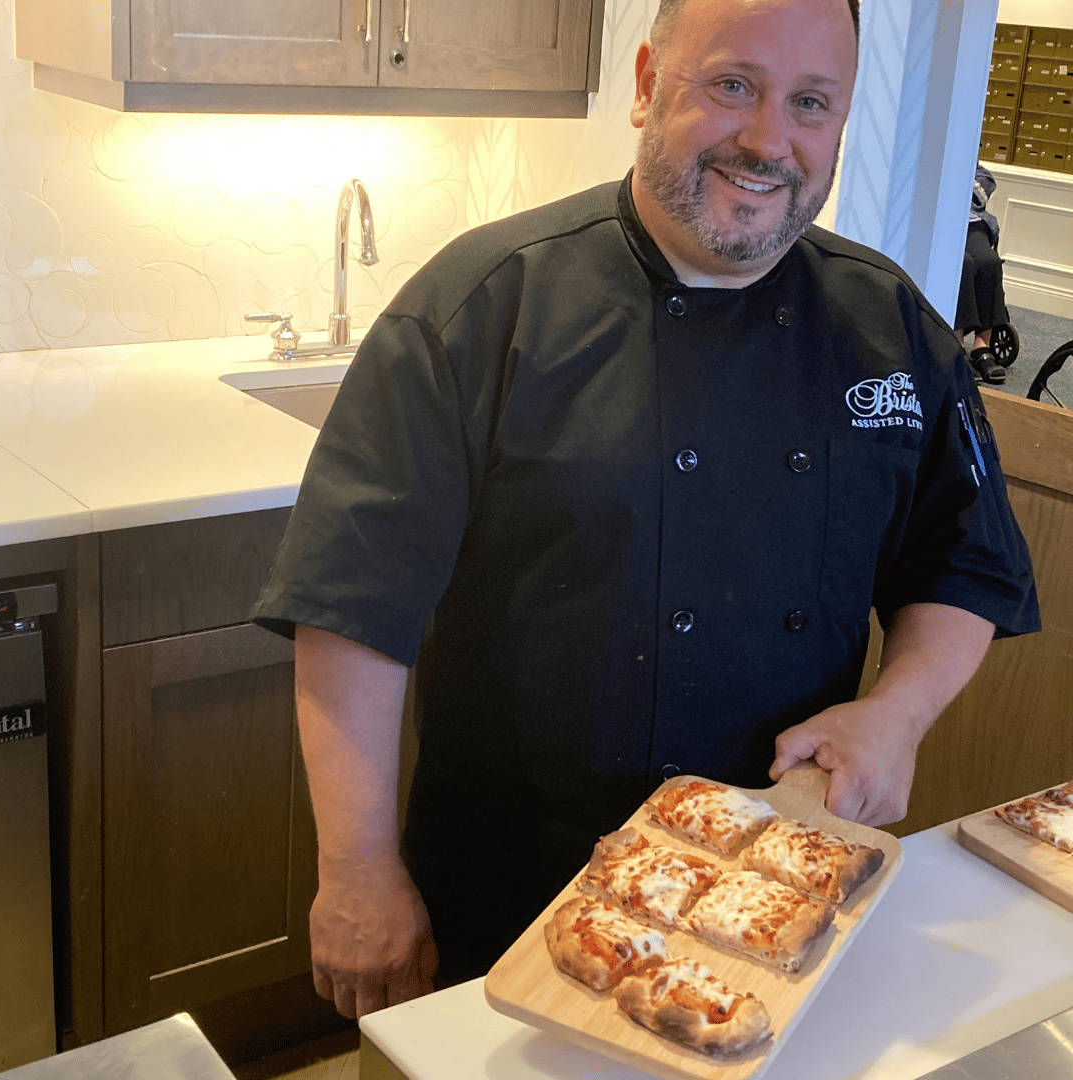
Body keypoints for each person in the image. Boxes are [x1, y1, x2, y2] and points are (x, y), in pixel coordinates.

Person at [253, 0, 1039, 1021]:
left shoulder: (887, 324)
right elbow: (352, 604)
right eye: (732, 85)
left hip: (781, 894)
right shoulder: (485, 305)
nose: (768, 139)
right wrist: (356, 868)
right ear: (643, 84)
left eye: (810, 103)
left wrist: (898, 714)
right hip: (512, 894)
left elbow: (963, 563)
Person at [956, 163, 1009, 385]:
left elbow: (985, 186)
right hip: (937, 220)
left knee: (989, 262)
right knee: (963, 264)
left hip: (972, 222)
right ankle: (956, 344)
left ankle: (981, 345)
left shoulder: (969, 157)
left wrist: (956, 183)